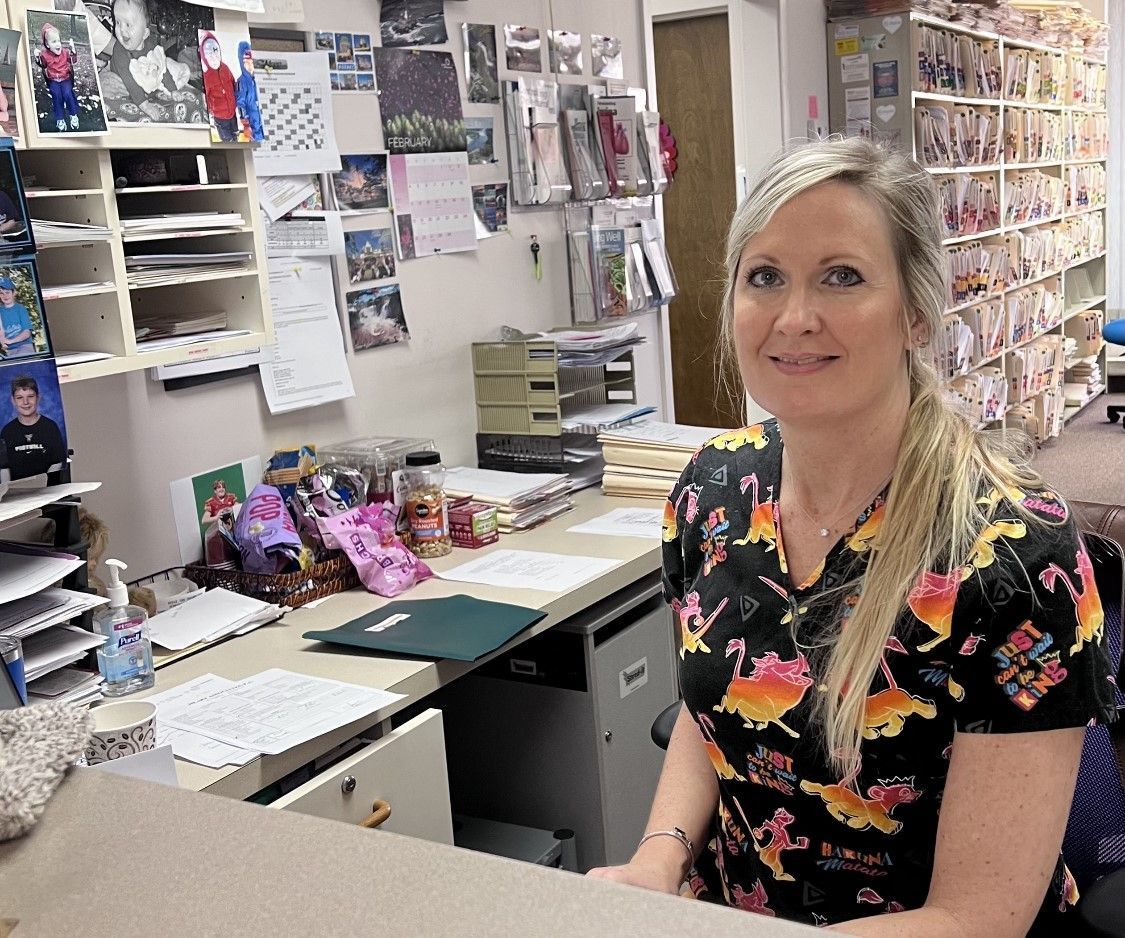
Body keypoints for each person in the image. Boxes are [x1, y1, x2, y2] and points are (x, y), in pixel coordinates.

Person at [587, 137, 1117, 935]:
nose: (794, 317)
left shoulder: (1014, 554)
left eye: (841, 276)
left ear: (914, 313)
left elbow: (978, 917)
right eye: (764, 276)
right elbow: (709, 708)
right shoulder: (712, 489)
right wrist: (660, 856)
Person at [107, 0, 191, 121]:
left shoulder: (151, 47)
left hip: (144, 77)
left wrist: (173, 90)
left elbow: (162, 69)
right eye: (118, 22)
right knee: (109, 85)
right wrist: (145, 105)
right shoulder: (119, 51)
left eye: (128, 25)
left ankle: (180, 75)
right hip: (122, 82)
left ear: (145, 33)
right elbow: (129, 81)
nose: (121, 30)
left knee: (165, 63)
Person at [0, 375, 65, 478]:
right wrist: (8, 491)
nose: (25, 402)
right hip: (17, 490)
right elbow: (4, 468)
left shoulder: (50, 427)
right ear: (13, 400)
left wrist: (44, 485)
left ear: (38, 397)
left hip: (48, 488)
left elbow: (57, 463)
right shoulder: (7, 431)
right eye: (19, 397)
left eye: (30, 396)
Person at [34, 22, 80, 132]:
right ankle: (60, 119)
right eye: (54, 42)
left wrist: (73, 51)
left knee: (68, 94)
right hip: (53, 80)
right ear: (48, 45)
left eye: (58, 40)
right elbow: (43, 64)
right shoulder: (45, 55)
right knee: (57, 96)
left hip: (65, 78)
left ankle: (73, 115)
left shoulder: (65, 52)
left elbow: (73, 61)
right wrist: (37, 58)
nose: (58, 44)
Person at [199, 31, 236, 142]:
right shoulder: (207, 76)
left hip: (232, 111)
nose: (215, 60)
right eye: (210, 57)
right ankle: (227, 139)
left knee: (235, 133)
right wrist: (210, 109)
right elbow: (206, 96)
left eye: (217, 56)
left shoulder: (225, 68)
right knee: (226, 138)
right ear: (205, 58)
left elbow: (232, 82)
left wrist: (236, 96)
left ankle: (234, 137)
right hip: (219, 116)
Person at [0, 277, 38, 358]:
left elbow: (27, 333)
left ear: (13, 293)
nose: (4, 296)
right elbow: (1, 332)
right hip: (10, 351)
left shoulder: (20, 308)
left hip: (25, 346)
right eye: (1, 293)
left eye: (7, 292)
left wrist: (10, 341)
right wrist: (3, 341)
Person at [235, 41, 263, 142]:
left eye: (251, 62)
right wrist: (246, 124)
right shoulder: (241, 82)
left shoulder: (257, 78)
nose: (250, 66)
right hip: (253, 124)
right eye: (246, 63)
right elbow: (240, 104)